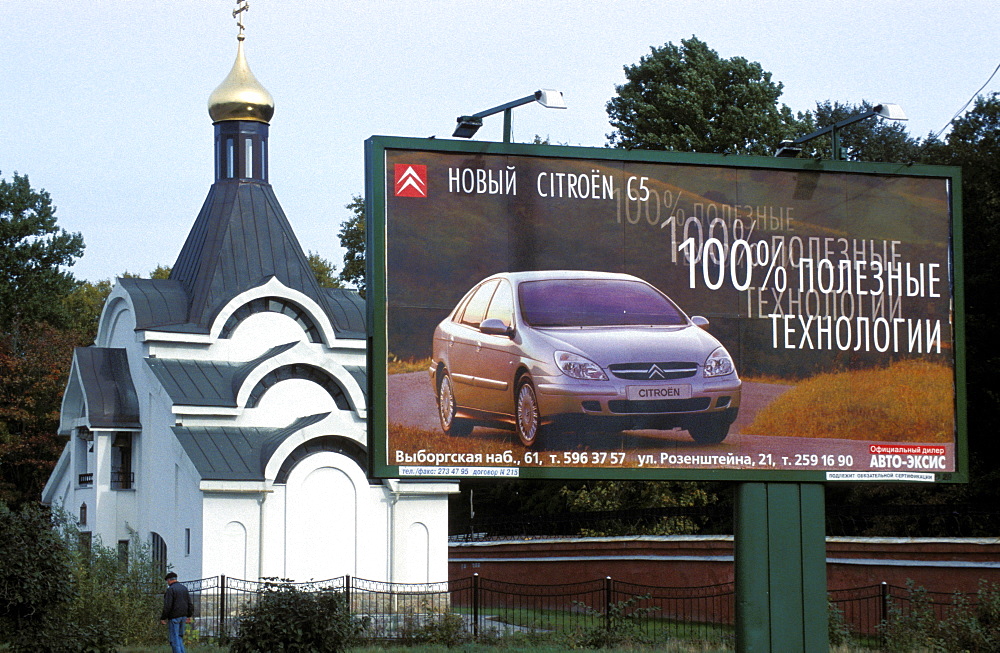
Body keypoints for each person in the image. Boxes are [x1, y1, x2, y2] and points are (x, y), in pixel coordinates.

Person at [160, 572, 194, 653]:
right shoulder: (184, 588)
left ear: (169, 580)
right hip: (183, 617)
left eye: (167, 581)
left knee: (174, 640)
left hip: (174, 617)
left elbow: (167, 605)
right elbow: (189, 603)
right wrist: (189, 616)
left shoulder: (170, 590)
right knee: (179, 638)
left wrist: (163, 617)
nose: (167, 583)